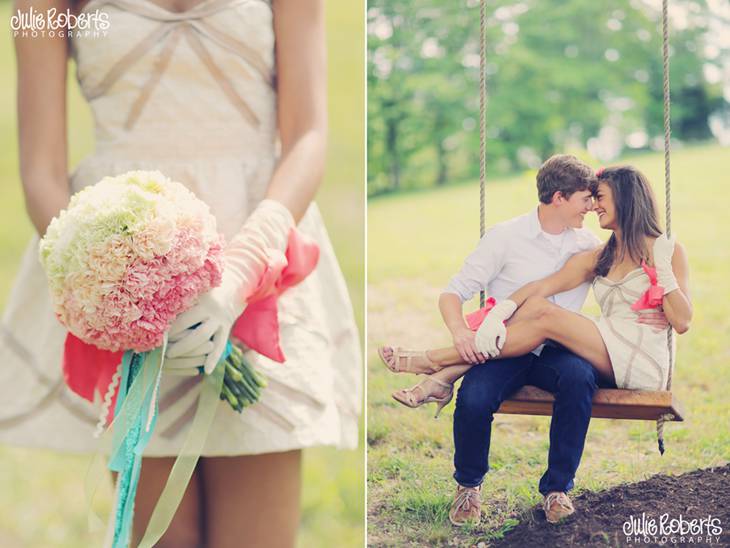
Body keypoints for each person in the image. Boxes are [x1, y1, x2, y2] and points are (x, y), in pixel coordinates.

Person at [1, 0, 361, 546]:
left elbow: (309, 135)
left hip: (262, 240)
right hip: (122, 259)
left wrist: (241, 271)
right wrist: (125, 288)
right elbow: (40, 172)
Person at [379, 160, 687, 526]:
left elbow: (677, 315)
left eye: (598, 198)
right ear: (560, 198)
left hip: (581, 353)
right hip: (510, 347)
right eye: (588, 199)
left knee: (576, 378)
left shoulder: (600, 244)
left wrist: (661, 273)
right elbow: (515, 290)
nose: (593, 207)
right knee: (475, 396)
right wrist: (485, 322)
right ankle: (468, 487)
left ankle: (556, 488)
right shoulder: (529, 241)